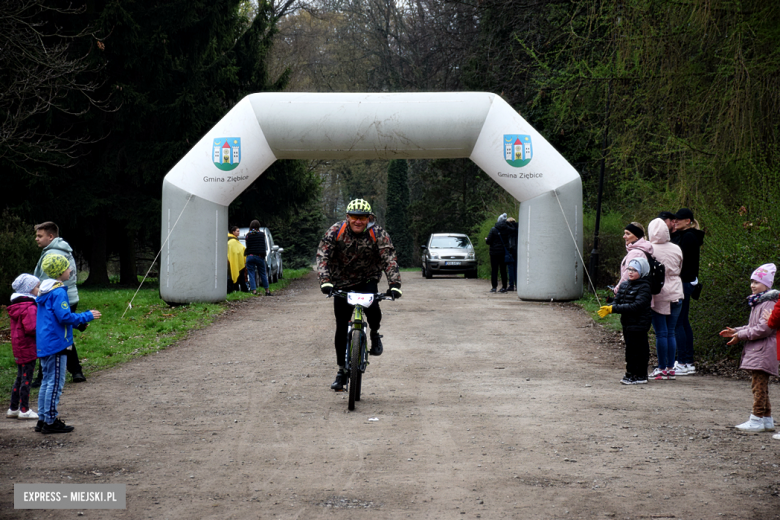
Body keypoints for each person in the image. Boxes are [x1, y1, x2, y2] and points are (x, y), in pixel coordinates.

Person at [316, 198, 402, 391]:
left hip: (367, 279)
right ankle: (341, 370)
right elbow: (323, 256)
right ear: (347, 217)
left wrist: (395, 284)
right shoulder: (335, 231)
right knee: (340, 327)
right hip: (341, 283)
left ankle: (374, 333)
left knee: (373, 310)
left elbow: (389, 257)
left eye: (362, 217)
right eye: (354, 217)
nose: (358, 221)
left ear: (369, 218)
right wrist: (325, 282)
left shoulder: (377, 233)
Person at [35, 254, 101, 434]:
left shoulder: (44, 291)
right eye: (67, 268)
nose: (70, 270)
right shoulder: (58, 291)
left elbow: (55, 318)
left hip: (45, 342)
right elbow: (64, 316)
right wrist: (87, 315)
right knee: (55, 382)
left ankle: (42, 419)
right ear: (60, 271)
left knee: (47, 382)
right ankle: (50, 421)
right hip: (57, 344)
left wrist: (78, 323)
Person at [719, 263, 778, 433]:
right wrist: (736, 331)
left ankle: (756, 419)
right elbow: (753, 325)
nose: (753, 285)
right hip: (759, 350)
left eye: (757, 282)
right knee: (761, 386)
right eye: (752, 281)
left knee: (758, 386)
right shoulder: (758, 302)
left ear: (767, 284)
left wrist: (741, 335)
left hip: (763, 351)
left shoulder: (768, 303)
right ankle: (767, 420)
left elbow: (764, 328)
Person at [32, 222, 87, 385]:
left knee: (51, 334)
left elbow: (43, 280)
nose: (36, 239)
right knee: (63, 334)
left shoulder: (53, 254)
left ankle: (44, 375)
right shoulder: (61, 249)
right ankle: (76, 371)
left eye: (40, 236)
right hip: (69, 296)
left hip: (57, 299)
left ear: (51, 236)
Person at [598, 257, 653, 384]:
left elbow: (636, 306)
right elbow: (618, 301)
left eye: (635, 270)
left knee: (637, 350)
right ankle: (637, 374)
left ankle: (634, 374)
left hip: (639, 323)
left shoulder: (644, 287)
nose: (631, 272)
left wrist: (613, 308)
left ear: (642, 271)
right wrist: (610, 303)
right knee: (630, 348)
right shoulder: (624, 285)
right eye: (629, 269)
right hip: (627, 323)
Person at [647, 218, 684, 380]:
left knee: (660, 333)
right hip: (676, 291)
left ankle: (661, 367)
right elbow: (680, 267)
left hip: (658, 293)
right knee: (671, 332)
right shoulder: (676, 248)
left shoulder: (649, 249)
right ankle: (671, 368)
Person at [670, 208, 705, 375]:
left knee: (678, 322)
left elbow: (681, 262)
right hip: (687, 282)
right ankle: (686, 360)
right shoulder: (688, 236)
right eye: (675, 219)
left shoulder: (688, 237)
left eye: (679, 219)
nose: (675, 221)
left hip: (684, 282)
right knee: (683, 322)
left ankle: (684, 361)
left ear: (688, 221)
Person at [6, 274, 40, 420]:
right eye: (37, 287)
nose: (39, 289)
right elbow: (32, 328)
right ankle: (24, 409)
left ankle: (13, 408)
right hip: (28, 346)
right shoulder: (29, 307)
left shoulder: (17, 305)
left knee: (20, 377)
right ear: (29, 289)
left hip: (19, 346)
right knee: (27, 379)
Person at [613, 222, 653, 294]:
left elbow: (627, 275)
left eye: (628, 234)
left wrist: (617, 290)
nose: (624, 236)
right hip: (640, 293)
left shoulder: (635, 253)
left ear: (636, 236)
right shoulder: (644, 249)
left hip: (631, 294)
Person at [244, 220, 273, 296]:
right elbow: (263, 245)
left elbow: (247, 245)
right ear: (258, 226)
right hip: (259, 256)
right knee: (263, 273)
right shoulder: (262, 234)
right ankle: (267, 291)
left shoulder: (248, 235)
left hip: (250, 256)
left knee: (251, 273)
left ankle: (254, 291)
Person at [485, 213, 511, 293]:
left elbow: (488, 241)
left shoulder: (493, 229)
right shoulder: (507, 229)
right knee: (503, 270)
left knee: (494, 270)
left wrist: (486, 239)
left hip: (494, 253)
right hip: (503, 253)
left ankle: (494, 287)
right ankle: (504, 287)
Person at [227, 225, 247, 293]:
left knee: (239, 278)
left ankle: (237, 290)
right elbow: (236, 251)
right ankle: (242, 290)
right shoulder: (232, 241)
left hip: (236, 262)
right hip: (234, 262)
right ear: (233, 232)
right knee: (240, 278)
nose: (239, 233)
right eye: (237, 231)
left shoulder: (234, 240)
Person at [505, 217, 519, 292]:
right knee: (517, 268)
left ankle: (511, 285)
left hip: (510, 250)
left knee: (510, 268)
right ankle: (517, 285)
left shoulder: (508, 229)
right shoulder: (518, 228)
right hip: (518, 250)